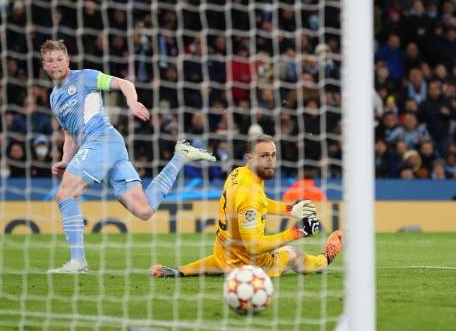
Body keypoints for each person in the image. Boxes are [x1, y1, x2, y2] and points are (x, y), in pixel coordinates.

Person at [41, 39, 216, 274]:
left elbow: (124, 83)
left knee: (64, 194)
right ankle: (180, 157)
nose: (56, 64)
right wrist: (65, 159)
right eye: (51, 60)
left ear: (67, 60)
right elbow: (69, 134)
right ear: (44, 65)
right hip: (107, 148)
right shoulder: (54, 98)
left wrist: (132, 102)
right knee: (144, 211)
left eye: (60, 59)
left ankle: (78, 261)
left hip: (101, 140)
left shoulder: (84, 77)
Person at [149, 134, 343, 278]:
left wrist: (289, 210)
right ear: (251, 158)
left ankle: (177, 271)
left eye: (273, 155)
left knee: (216, 258)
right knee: (294, 254)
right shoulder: (249, 194)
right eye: (265, 155)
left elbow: (260, 203)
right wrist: (297, 233)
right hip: (251, 266)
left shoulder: (239, 174)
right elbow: (254, 246)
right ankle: (323, 260)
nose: (271, 161)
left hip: (223, 257)